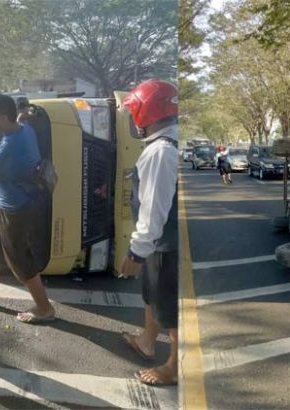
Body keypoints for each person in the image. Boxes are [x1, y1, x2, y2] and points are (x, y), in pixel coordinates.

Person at [0, 94, 55, 324]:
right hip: (7, 205)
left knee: (19, 261)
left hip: (15, 210)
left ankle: (44, 308)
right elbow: (21, 118)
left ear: (2, 118)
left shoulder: (7, 147)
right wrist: (23, 114)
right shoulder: (24, 129)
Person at [119, 79, 179, 386]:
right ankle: (146, 341)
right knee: (152, 295)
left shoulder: (160, 152)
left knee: (169, 306)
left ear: (147, 112)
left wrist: (135, 252)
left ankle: (174, 367)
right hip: (159, 242)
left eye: (134, 111)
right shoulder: (162, 146)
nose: (132, 118)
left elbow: (153, 209)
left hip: (163, 244)